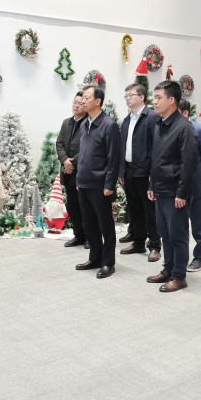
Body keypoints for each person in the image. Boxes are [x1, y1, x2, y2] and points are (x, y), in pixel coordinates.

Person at [146, 81, 197, 292]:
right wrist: (152, 184)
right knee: (165, 234)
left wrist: (182, 193)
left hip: (175, 192)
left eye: (159, 98)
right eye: (154, 97)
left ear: (172, 100)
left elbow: (188, 164)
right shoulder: (159, 124)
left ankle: (179, 276)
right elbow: (156, 158)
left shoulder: (184, 128)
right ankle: (168, 269)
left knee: (178, 235)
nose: (155, 101)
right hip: (160, 189)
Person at [75, 85, 121, 279]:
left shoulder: (109, 125)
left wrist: (109, 184)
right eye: (82, 98)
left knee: (105, 225)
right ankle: (95, 257)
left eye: (87, 98)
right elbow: (83, 154)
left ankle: (108, 262)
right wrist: (79, 179)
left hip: (100, 185)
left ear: (98, 101)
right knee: (89, 224)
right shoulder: (85, 123)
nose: (83, 101)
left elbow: (114, 157)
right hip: (84, 182)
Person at [118, 83, 161, 262]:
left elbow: (156, 148)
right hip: (129, 170)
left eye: (131, 95)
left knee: (150, 211)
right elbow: (122, 147)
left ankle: (155, 246)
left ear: (142, 97)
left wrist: (153, 172)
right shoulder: (127, 120)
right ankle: (138, 242)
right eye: (126, 96)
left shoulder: (152, 117)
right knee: (135, 209)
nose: (128, 98)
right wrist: (121, 171)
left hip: (145, 172)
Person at [177, 98, 201, 272]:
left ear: (185, 113)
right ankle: (180, 256)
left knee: (198, 220)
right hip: (177, 182)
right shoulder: (171, 129)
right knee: (178, 221)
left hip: (196, 181)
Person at [56, 91, 88, 248]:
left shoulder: (89, 123)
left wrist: (72, 163)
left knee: (85, 206)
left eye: (80, 103)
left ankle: (89, 237)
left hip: (82, 171)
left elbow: (87, 148)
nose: (76, 105)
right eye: (75, 102)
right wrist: (64, 161)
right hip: (67, 172)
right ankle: (78, 235)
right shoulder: (66, 122)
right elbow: (59, 143)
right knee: (73, 206)